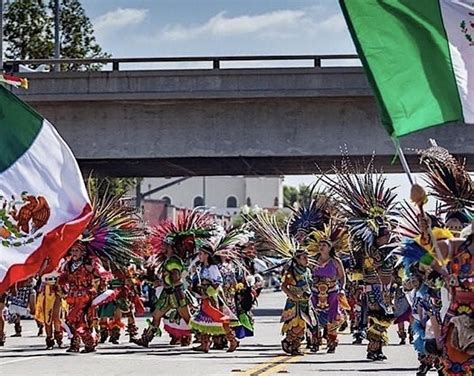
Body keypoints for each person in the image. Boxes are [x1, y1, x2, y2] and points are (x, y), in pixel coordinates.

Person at [189, 244, 239, 353]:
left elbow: (218, 282)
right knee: (204, 320)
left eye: (201, 254)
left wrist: (208, 293)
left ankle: (232, 340)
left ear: (207, 255)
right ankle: (204, 343)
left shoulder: (212, 267)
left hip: (213, 298)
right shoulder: (202, 268)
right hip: (205, 297)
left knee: (219, 320)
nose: (199, 256)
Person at [306, 223, 347, 353]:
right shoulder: (312, 261)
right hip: (315, 293)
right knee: (313, 317)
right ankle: (315, 341)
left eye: (324, 245)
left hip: (332, 292)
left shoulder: (335, 261)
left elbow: (342, 277)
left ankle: (332, 341)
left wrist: (342, 289)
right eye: (320, 245)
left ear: (330, 248)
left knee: (333, 317)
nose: (321, 247)